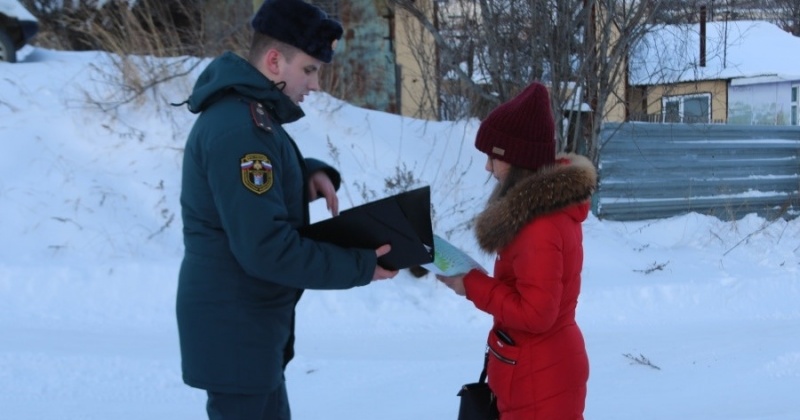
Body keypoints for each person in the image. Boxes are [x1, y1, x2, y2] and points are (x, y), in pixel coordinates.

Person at [175, 0, 398, 418]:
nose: (314, 84)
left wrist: (305, 175)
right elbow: (267, 248)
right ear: (275, 61)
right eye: (309, 69)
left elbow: (253, 190)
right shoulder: (241, 129)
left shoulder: (247, 117)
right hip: (238, 331)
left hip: (248, 331)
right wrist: (359, 266)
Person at [437, 82, 596, 419]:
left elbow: (536, 314)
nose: (487, 167)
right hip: (536, 370)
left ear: (515, 159)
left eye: (493, 157)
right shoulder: (539, 214)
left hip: (540, 378)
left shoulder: (538, 224)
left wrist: (472, 285)